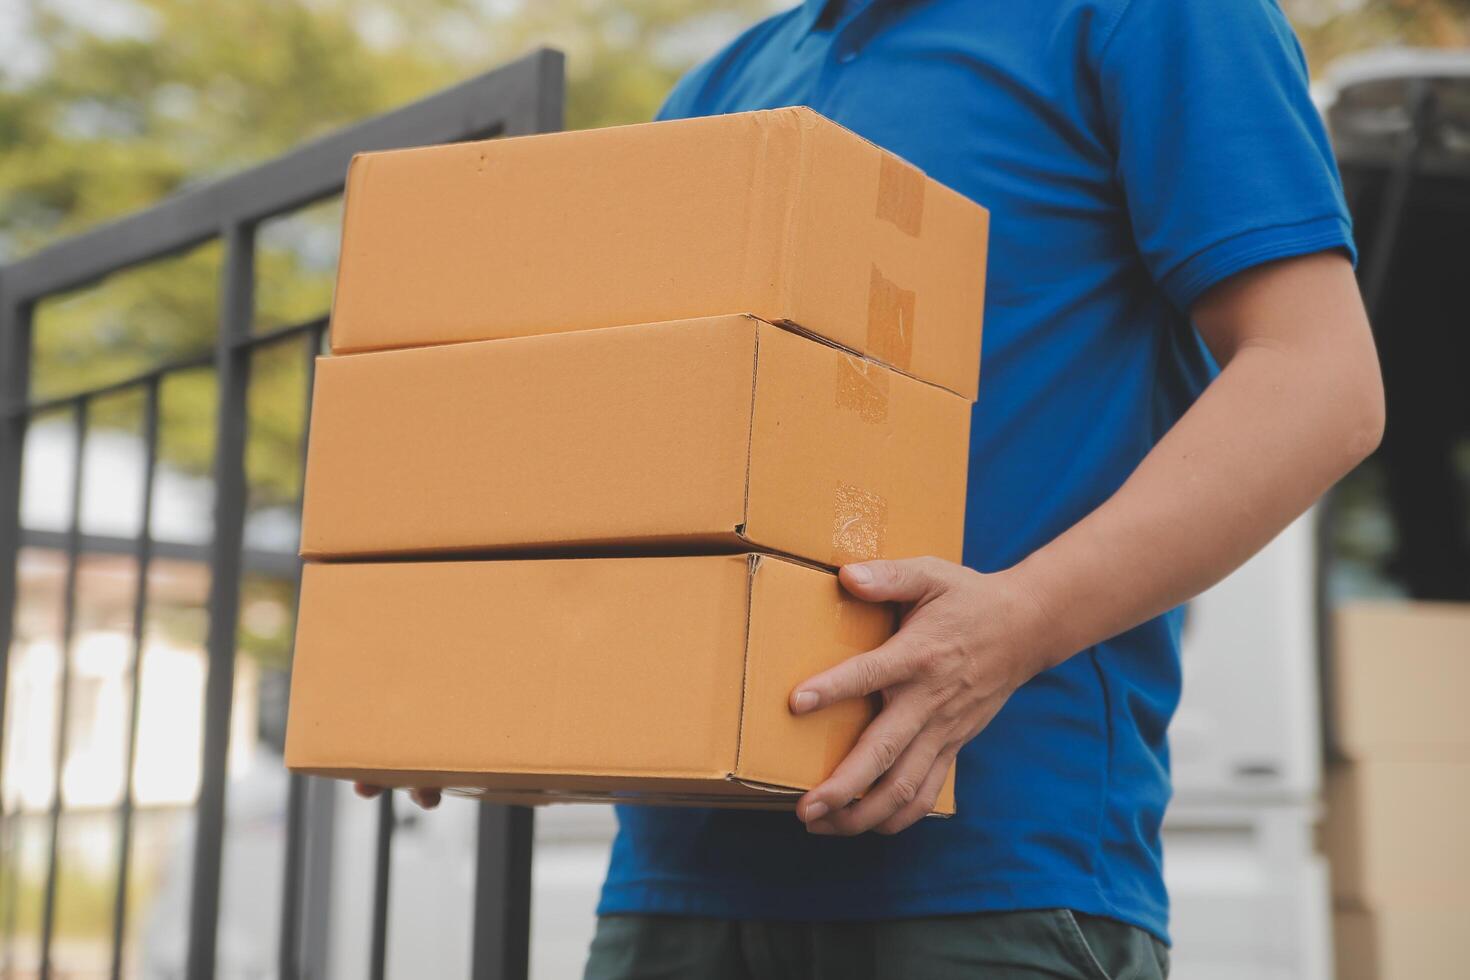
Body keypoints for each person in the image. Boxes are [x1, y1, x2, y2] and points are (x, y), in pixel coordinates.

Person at [363, 1, 1385, 975]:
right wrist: (501, 664)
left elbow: (1320, 382)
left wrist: (1013, 622)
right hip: (675, 886)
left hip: (993, 882)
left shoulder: (1146, 16)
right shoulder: (721, 86)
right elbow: (656, 437)